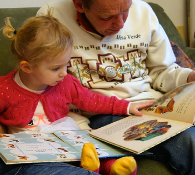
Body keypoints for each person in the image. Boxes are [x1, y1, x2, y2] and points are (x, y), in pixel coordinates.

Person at [36, 0, 195, 174]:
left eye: (126, 10)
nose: (120, 23)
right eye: (107, 17)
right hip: (100, 113)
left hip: (151, 106)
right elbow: (41, 80)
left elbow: (163, 72)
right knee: (192, 142)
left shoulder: (145, 12)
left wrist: (191, 78)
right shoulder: (52, 17)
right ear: (79, 4)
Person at [0, 10, 156, 174]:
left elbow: (92, 100)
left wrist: (126, 107)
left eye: (66, 64)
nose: (64, 73)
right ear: (27, 67)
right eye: (56, 68)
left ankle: (111, 166)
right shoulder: (4, 89)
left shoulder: (65, 83)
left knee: (91, 148)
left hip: (65, 138)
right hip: (32, 152)